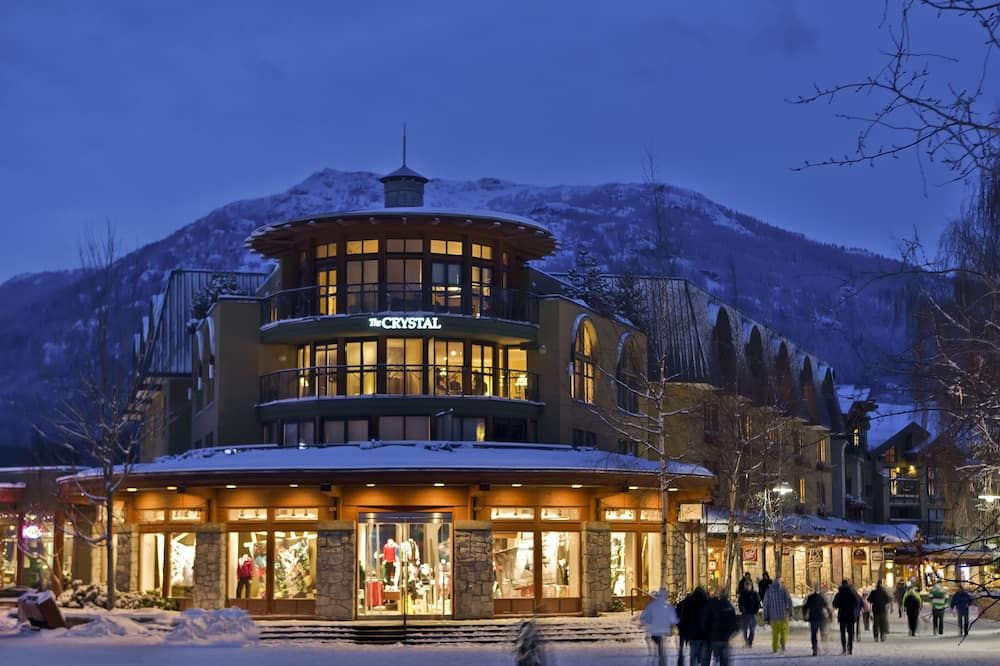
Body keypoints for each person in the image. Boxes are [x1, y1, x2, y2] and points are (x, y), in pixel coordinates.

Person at [640, 588, 680, 666]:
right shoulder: (668, 607)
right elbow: (674, 620)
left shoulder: (651, 606)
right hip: (665, 633)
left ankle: (655, 663)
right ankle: (662, 663)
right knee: (663, 653)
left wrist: (649, 623)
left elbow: (644, 618)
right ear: (666, 596)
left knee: (655, 653)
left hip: (654, 632)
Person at [703, 587, 739, 666]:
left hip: (713, 637)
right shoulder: (728, 605)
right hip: (725, 638)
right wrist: (729, 634)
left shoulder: (710, 604)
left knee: (709, 658)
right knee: (724, 661)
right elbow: (734, 622)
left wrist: (707, 633)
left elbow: (705, 620)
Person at [677, 586, 709, 666]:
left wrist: (685, 630)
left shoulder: (689, 603)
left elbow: (685, 618)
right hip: (704, 634)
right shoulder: (706, 603)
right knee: (703, 657)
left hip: (692, 634)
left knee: (693, 655)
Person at [762, 575, 792, 653]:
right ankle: (783, 643)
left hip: (773, 616)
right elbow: (789, 601)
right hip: (783, 615)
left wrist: (766, 616)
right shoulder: (784, 590)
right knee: (784, 632)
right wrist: (791, 612)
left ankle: (775, 648)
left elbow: (765, 604)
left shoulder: (768, 591)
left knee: (775, 634)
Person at [803, 584, 833, 657]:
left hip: (813, 618)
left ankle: (815, 649)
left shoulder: (810, 598)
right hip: (821, 617)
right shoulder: (821, 598)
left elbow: (805, 607)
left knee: (814, 634)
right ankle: (825, 647)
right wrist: (830, 615)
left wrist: (805, 615)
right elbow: (827, 607)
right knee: (823, 632)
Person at [832, 579, 858, 655]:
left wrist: (840, 605)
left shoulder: (839, 594)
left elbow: (835, 604)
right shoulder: (851, 594)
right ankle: (850, 648)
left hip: (842, 615)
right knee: (850, 633)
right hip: (850, 615)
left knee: (842, 633)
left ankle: (844, 648)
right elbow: (856, 603)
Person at [737, 577, 761, 648]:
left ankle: (750, 642)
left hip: (752, 614)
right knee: (744, 630)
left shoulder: (754, 594)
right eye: (746, 585)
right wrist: (742, 609)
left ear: (751, 586)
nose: (748, 586)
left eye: (749, 585)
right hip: (745, 614)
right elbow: (740, 603)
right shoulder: (743, 594)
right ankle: (746, 641)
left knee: (752, 630)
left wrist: (756, 610)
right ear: (744, 586)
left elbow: (758, 603)